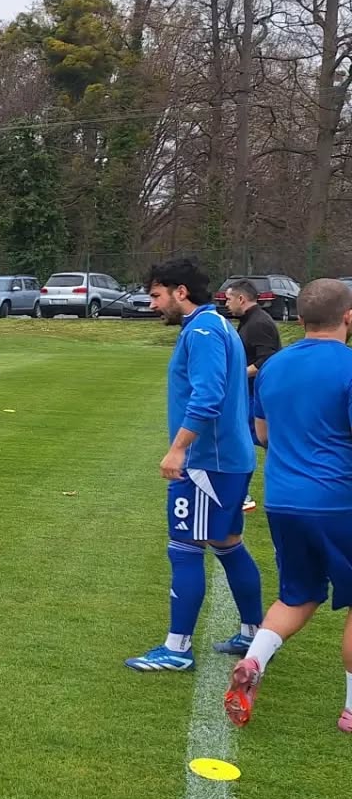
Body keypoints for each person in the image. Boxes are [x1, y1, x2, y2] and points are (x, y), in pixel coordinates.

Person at [224, 278, 352, 731]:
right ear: (349, 317)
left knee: (298, 594)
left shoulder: (274, 366)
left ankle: (254, 661)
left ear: (299, 319)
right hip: (338, 501)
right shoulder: (348, 366)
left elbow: (262, 433)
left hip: (283, 499)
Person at [125, 257, 264, 672]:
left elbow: (208, 395)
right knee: (228, 544)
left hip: (207, 463)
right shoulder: (216, 325)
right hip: (228, 459)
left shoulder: (203, 331)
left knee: (184, 547)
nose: (152, 305)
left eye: (156, 295)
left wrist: (179, 449)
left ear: (180, 292)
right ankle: (253, 634)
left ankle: (177, 648)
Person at [224, 278, 282, 513]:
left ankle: (244, 495)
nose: (226, 303)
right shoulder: (250, 321)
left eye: (229, 299)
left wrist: (236, 375)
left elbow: (266, 360)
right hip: (250, 395)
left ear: (241, 299)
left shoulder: (258, 323)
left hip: (257, 396)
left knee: (242, 442)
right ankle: (250, 493)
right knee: (255, 443)